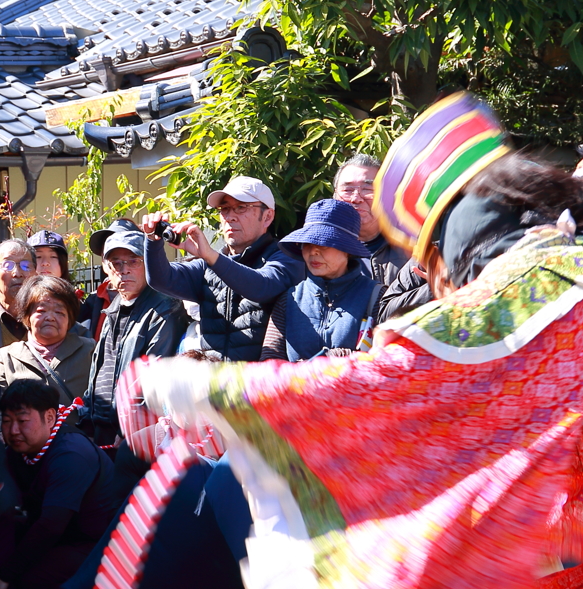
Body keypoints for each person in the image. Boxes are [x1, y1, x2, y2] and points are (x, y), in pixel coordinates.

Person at [131, 93, 583, 589]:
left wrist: (200, 389)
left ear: (468, 235)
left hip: (568, 537)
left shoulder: (517, 290)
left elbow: (373, 384)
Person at [0, 380, 121, 589]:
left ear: (49, 417)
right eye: (6, 421)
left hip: (97, 545)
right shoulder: (21, 449)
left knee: (32, 578)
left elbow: (51, 525)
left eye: (22, 421)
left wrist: (3, 575)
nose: (13, 430)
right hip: (61, 536)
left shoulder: (71, 455)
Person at [141, 176, 304, 361]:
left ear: (267, 216)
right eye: (224, 209)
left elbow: (262, 286)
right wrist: (152, 241)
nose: (230, 216)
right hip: (214, 383)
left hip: (260, 384)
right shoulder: (209, 264)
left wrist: (211, 256)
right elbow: (160, 279)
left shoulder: (285, 257)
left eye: (241, 207)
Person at [84, 230, 187, 446]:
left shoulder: (165, 308)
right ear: (106, 268)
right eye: (116, 263)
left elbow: (154, 379)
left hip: (133, 437)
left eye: (134, 261)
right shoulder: (113, 308)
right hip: (100, 430)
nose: (125, 270)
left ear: (148, 264)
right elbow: (99, 371)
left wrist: (130, 432)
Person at [260, 199, 381, 361]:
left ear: (347, 250)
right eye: (307, 244)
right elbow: (270, 362)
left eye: (324, 244)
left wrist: (339, 358)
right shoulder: (290, 299)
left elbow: (387, 360)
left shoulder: (377, 297)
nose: (313, 252)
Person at [0, 276, 94, 405]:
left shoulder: (90, 351)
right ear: (27, 315)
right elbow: (0, 413)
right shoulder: (6, 357)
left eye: (59, 312)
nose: (50, 318)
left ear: (70, 318)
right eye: (41, 310)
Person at [332, 153, 409, 287]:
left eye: (367, 189)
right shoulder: (321, 247)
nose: (356, 198)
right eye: (348, 190)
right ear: (334, 195)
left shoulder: (411, 245)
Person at [78, 219, 140, 340]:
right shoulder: (92, 301)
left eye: (132, 260)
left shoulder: (160, 303)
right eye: (113, 258)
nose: (124, 268)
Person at [0, 240, 35, 355]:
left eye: (26, 266)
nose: (17, 273)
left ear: (36, 276)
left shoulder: (51, 319)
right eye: (7, 265)